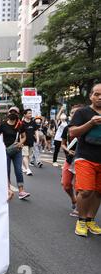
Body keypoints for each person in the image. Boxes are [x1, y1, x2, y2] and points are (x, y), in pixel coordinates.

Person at [69, 84, 101, 237]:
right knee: (86, 191)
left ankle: (90, 220)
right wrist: (91, 123)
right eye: (96, 94)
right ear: (91, 96)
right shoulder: (83, 112)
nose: (99, 97)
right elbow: (72, 133)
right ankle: (81, 220)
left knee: (98, 192)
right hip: (85, 157)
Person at [0, 107, 31, 200]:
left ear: (18, 114)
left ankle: (21, 191)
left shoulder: (20, 125)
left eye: (15, 112)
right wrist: (1, 145)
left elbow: (24, 137)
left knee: (19, 170)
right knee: (6, 171)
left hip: (17, 151)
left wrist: (20, 143)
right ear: (8, 113)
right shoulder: (3, 124)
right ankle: (7, 190)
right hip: (5, 151)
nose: (13, 113)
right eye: (11, 112)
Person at [61, 104, 84, 217]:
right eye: (72, 112)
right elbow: (63, 144)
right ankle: (74, 200)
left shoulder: (87, 127)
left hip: (83, 160)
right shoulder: (67, 128)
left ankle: (79, 208)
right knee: (65, 184)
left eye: (77, 112)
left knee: (79, 185)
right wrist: (68, 151)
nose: (74, 114)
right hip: (69, 160)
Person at [21, 109, 40, 176]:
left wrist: (37, 138)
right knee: (25, 155)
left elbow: (36, 131)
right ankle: (28, 169)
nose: (30, 114)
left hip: (31, 141)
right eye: (29, 113)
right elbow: (20, 133)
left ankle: (24, 166)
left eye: (31, 113)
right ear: (25, 115)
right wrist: (20, 142)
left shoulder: (33, 122)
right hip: (24, 142)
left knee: (29, 156)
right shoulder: (22, 123)